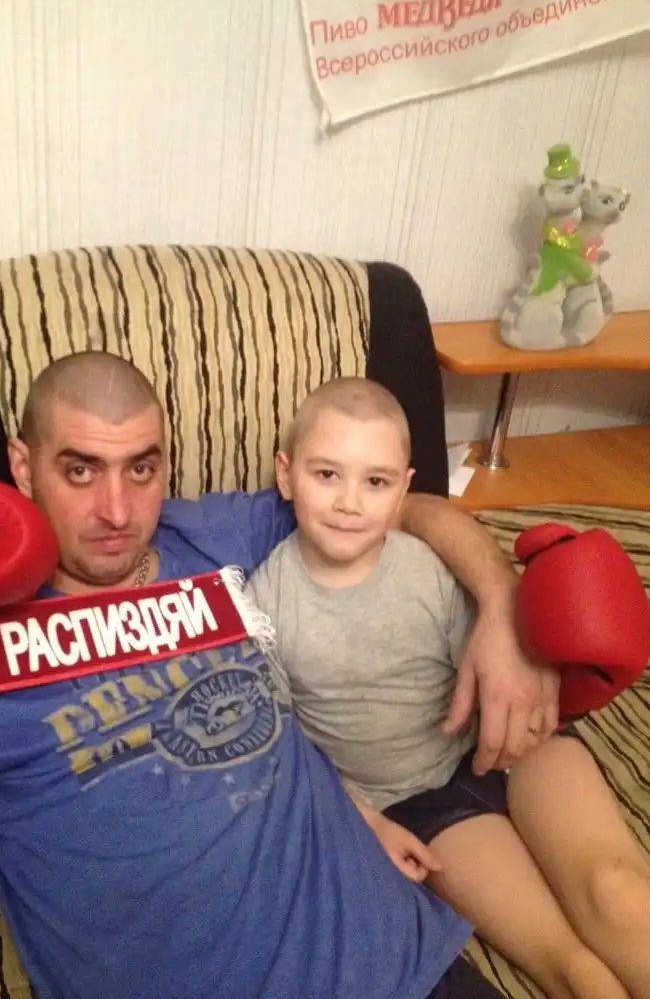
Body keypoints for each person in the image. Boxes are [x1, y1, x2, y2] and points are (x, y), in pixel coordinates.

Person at [0, 351, 558, 999]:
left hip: (405, 962)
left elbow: (405, 507)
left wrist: (500, 607)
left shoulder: (215, 536)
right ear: (23, 468)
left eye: (141, 469)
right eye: (80, 470)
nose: (116, 512)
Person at [248, 376, 650, 999]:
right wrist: (363, 820)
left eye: (376, 481)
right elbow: (283, 743)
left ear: (404, 487)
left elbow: (503, 666)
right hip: (415, 800)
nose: (349, 502)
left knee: (617, 890)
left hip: (513, 745)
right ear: (285, 473)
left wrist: (549, 668)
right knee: (571, 965)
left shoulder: (427, 566)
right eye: (326, 474)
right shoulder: (265, 604)